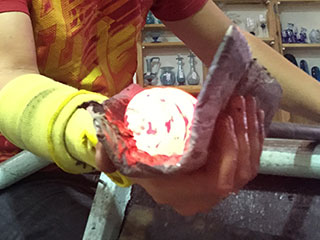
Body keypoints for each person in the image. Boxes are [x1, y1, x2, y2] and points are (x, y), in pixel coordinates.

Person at [0, 0, 319, 238]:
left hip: (101, 166)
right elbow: (8, 77)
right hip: (18, 168)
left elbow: (231, 45)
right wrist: (107, 134)